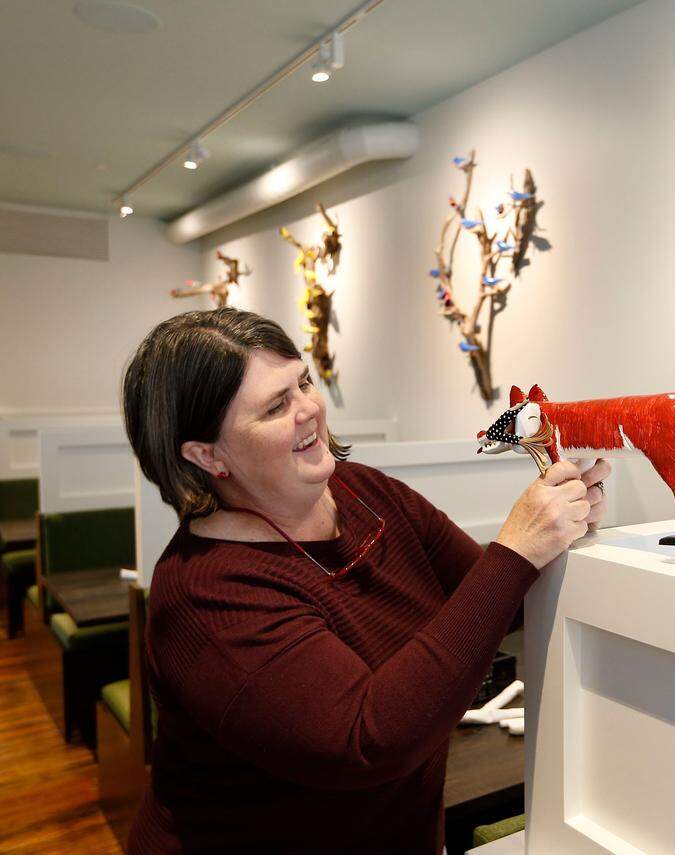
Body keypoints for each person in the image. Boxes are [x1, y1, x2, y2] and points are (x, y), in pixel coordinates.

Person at [121, 308, 609, 853]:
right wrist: (518, 548)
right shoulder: (204, 595)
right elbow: (367, 740)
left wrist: (556, 531)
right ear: (207, 455)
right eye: (275, 406)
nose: (309, 408)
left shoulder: (362, 492)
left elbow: (495, 601)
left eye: (303, 382)